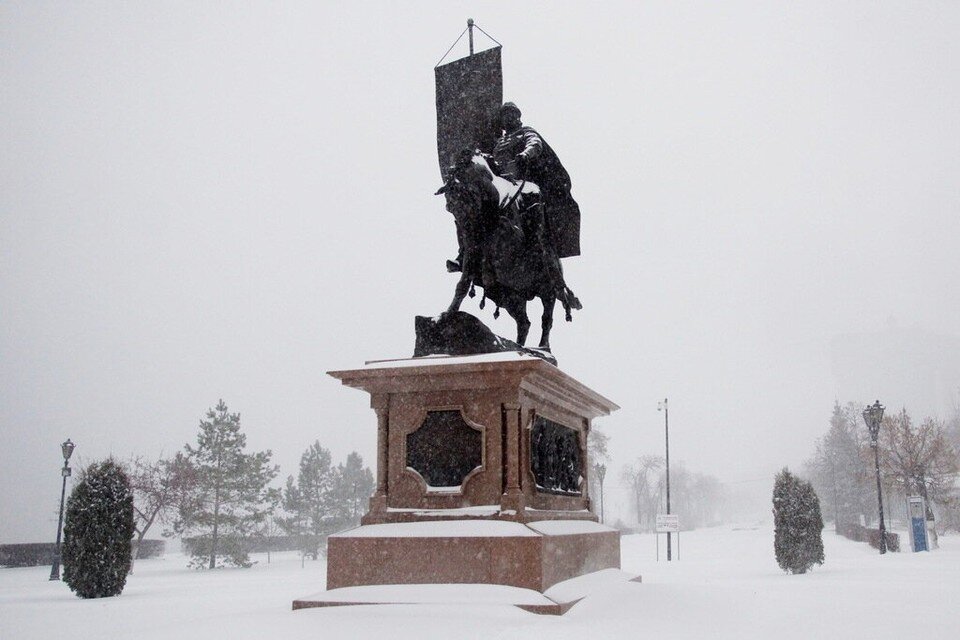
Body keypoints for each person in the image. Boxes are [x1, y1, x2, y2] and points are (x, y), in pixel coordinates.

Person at [490, 102, 581, 260]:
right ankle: (469, 253)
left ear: (518, 116)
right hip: (502, 183)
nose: (508, 118)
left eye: (511, 114)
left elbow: (535, 144)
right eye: (505, 115)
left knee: (532, 194)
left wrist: (525, 154)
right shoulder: (498, 143)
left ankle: (537, 241)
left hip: (521, 180)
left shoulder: (525, 132)